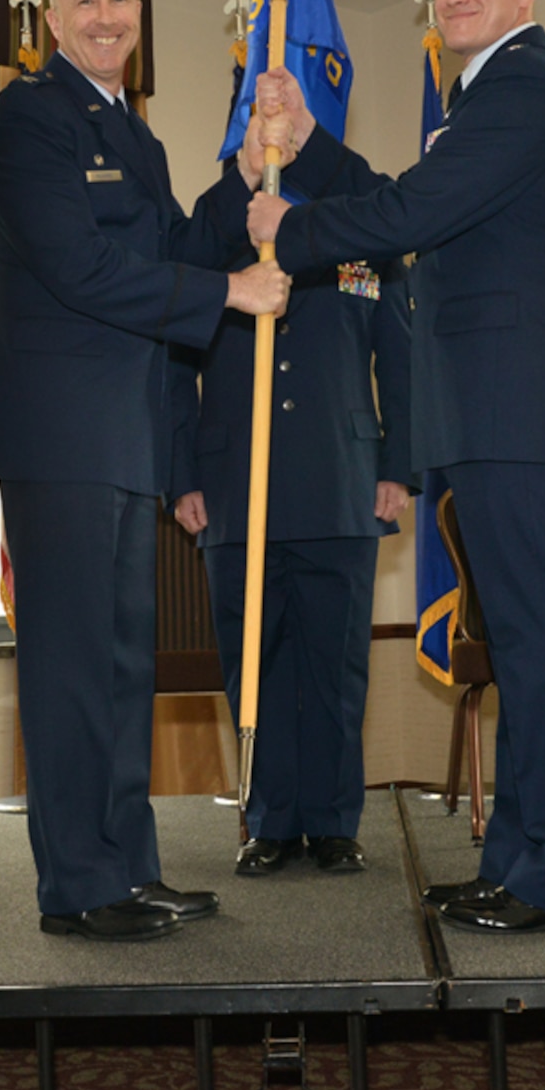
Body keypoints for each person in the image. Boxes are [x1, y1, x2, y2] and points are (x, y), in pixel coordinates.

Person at [244, 0, 545, 934]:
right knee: (522, 643)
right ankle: (527, 862)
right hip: (488, 401)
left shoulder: (523, 86)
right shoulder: (483, 96)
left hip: (521, 400)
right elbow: (409, 200)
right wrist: (315, 148)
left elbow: (410, 214)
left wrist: (285, 227)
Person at [0, 0, 292, 942]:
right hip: (58, 436)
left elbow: (174, 252)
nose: (106, 16)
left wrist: (240, 181)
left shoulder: (137, 138)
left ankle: (125, 869)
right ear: (54, 22)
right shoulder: (28, 118)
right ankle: (76, 885)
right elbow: (77, 269)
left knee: (121, 667)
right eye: (86, 2)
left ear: (138, 16)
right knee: (72, 668)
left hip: (124, 441)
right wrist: (229, 291)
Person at [167, 219, 412, 877]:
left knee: (335, 668)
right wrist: (180, 474)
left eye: (287, 111)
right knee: (255, 663)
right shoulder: (208, 243)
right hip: (232, 489)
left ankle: (333, 823)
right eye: (258, 112)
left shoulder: (358, 244)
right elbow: (172, 361)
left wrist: (399, 464)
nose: (273, 121)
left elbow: (399, 352)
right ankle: (269, 821)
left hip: (341, 481)